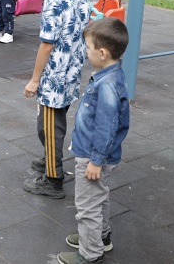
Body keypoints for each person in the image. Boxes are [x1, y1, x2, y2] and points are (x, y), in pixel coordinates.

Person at [56, 17, 130, 264]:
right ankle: (101, 237)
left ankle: (90, 254)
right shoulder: (107, 75)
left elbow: (106, 127)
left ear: (102, 52)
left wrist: (96, 161)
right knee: (99, 197)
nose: (86, 52)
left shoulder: (106, 85)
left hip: (93, 155)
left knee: (87, 205)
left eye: (88, 48)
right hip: (96, 153)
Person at [23, 0, 90, 199]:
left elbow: (46, 45)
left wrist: (34, 79)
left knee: (48, 127)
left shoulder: (55, 1)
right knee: (55, 122)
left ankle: (53, 178)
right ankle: (51, 158)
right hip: (72, 74)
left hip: (54, 77)